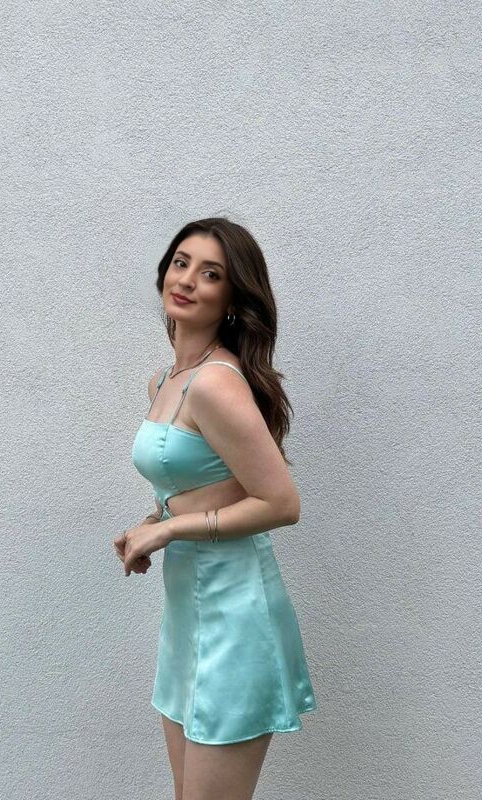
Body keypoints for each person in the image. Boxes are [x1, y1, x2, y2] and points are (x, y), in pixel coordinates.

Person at [114, 217, 317, 800]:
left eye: (210, 274)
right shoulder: (167, 380)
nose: (187, 280)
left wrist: (171, 529)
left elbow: (282, 503)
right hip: (189, 613)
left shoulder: (214, 383)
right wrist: (152, 524)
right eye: (181, 263)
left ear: (231, 299)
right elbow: (201, 482)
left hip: (234, 614)